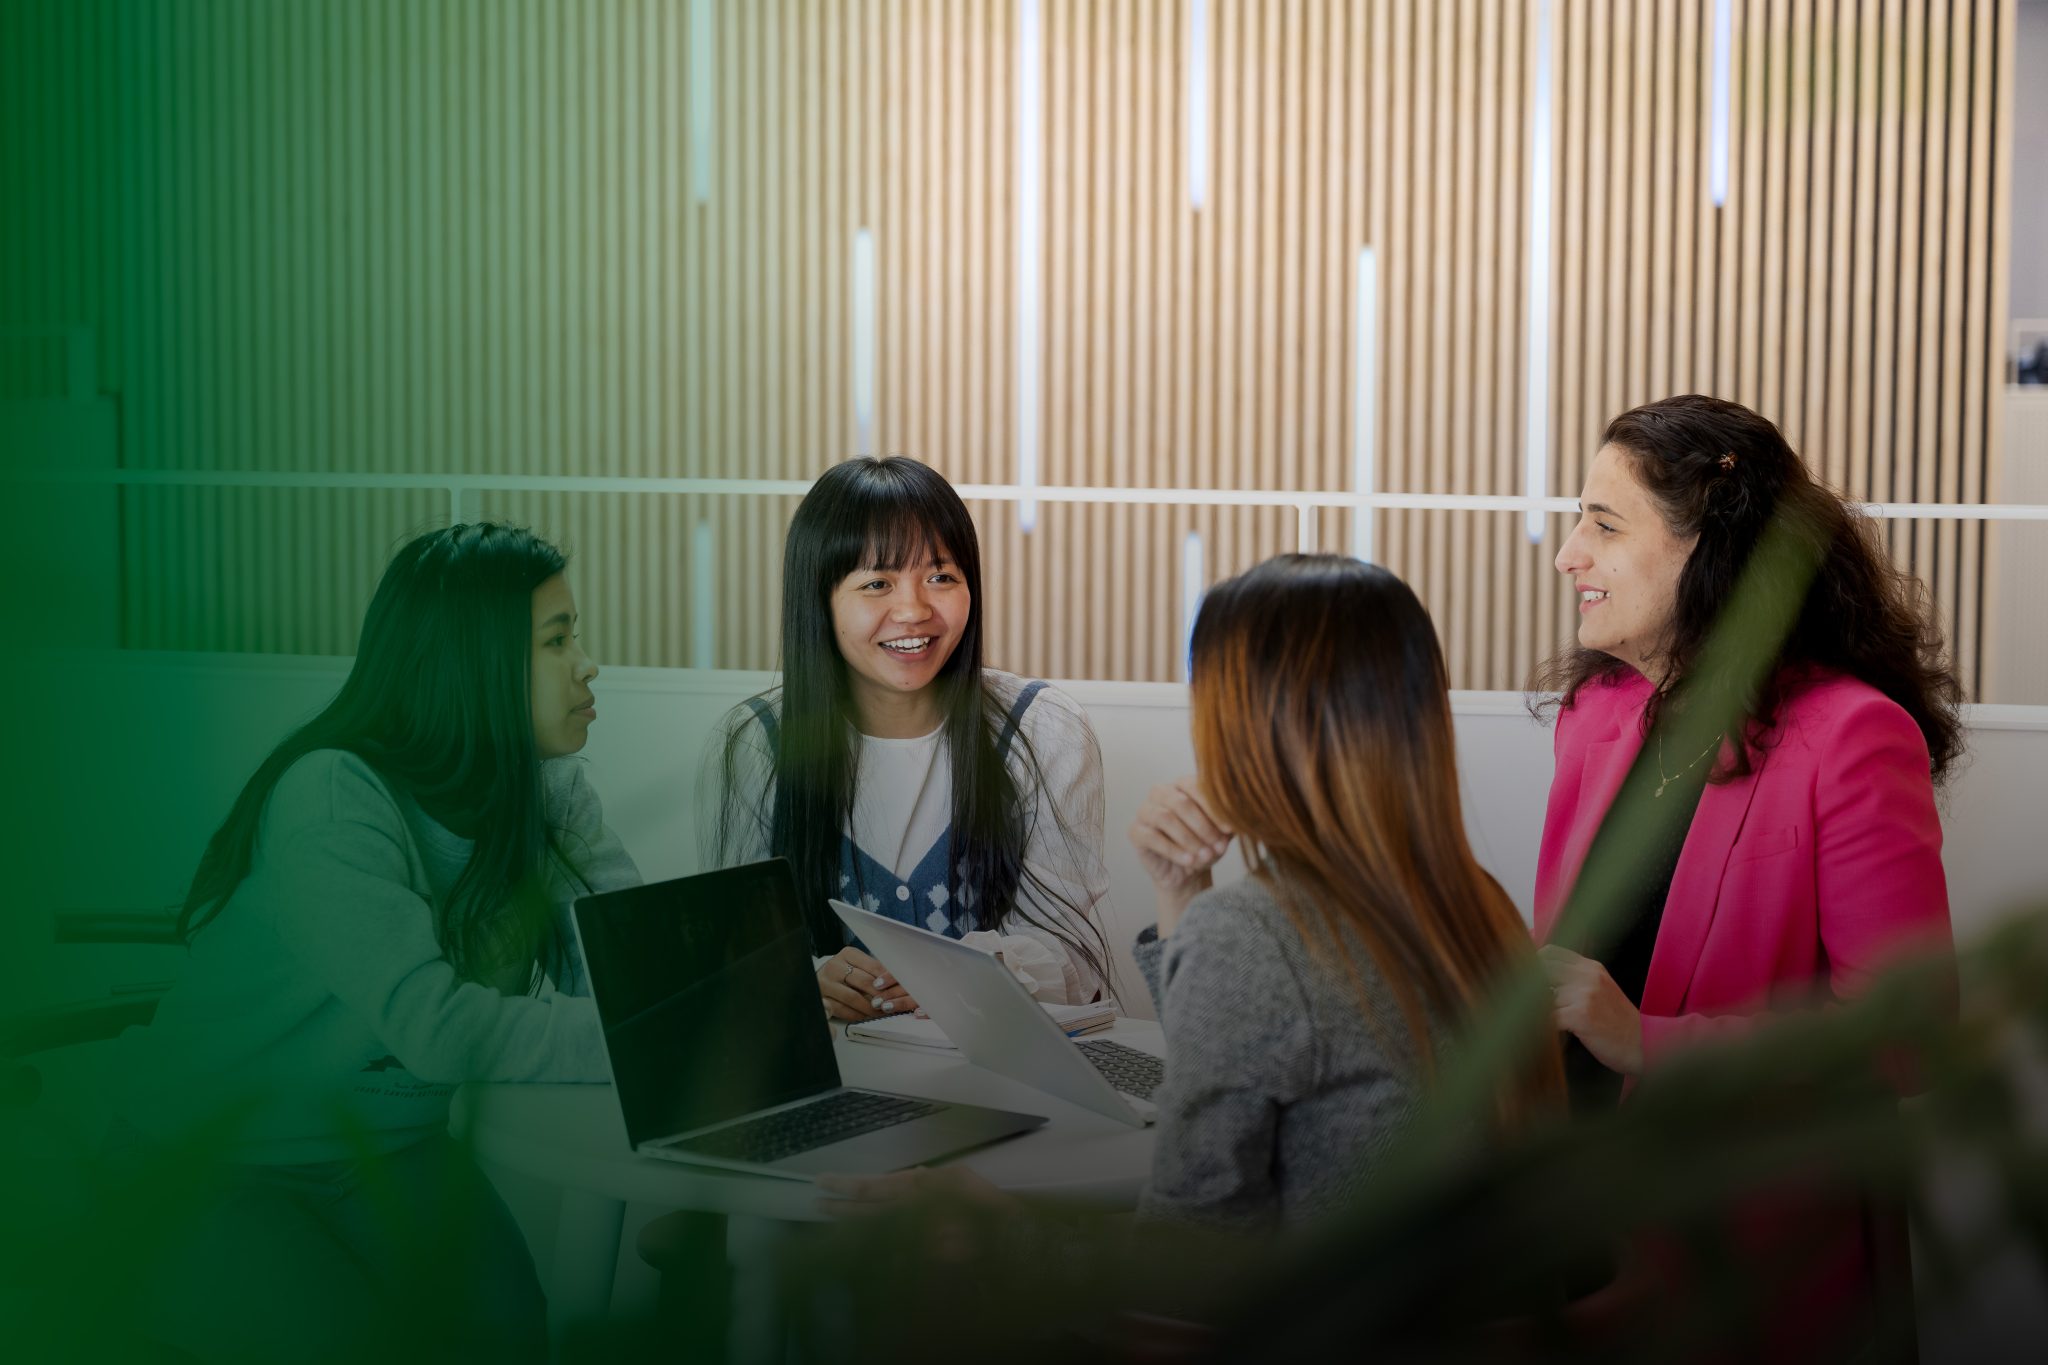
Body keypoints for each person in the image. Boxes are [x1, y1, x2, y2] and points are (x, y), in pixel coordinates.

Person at [821, 555, 1562, 1233]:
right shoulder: (1478, 903)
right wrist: (1182, 890)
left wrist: (991, 1220)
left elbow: (1184, 1259)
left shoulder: (1255, 930)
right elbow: (1238, 1052)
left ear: (1248, 725)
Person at [111, 523, 641, 1362]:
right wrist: (656, 1023)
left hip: (391, 1151)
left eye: (573, 635)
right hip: (210, 1154)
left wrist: (772, 985)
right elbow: (436, 1029)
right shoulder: (334, 792)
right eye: (556, 640)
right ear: (472, 661)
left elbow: (639, 966)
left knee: (511, 1333)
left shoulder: (551, 796)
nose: (588, 664)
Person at [1534, 393, 1961, 1348]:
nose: (1568, 554)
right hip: (1576, 1216)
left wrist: (1644, 1041)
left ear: (1711, 550)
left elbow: (1910, 1037)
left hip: (1750, 1257)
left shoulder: (1852, 736)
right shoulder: (1595, 717)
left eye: (1604, 524)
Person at [706, 455, 1111, 1016]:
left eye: (941, 577)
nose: (914, 610)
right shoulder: (757, 742)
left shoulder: (1041, 729)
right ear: (819, 600)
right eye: (877, 583)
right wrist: (805, 977)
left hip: (992, 1065)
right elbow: (740, 955)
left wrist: (955, 976)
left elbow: (1073, 957)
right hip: (841, 1068)